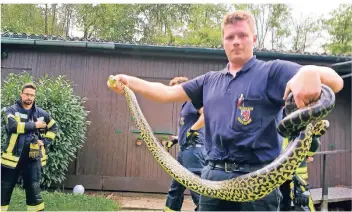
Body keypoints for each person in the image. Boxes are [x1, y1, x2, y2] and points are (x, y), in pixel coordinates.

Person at [107, 10, 343, 211]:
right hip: (213, 178)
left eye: (242, 35)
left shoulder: (272, 72)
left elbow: (335, 82)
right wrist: (128, 82)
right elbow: (165, 93)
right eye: (230, 37)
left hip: (259, 179)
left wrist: (310, 70)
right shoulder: (209, 81)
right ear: (223, 42)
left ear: (254, 39)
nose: (236, 41)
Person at [1, 83, 58, 212]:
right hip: (12, 158)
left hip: (33, 157)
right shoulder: (11, 110)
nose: (29, 97)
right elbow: (12, 127)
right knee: (4, 188)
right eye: (27, 94)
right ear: (21, 94)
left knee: (33, 189)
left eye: (32, 95)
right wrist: (34, 125)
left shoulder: (41, 113)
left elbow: (54, 127)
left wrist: (45, 140)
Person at [162, 77, 206, 212]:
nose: (174, 93)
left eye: (176, 89)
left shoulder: (194, 101)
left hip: (193, 151)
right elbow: (186, 126)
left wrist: (193, 130)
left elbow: (207, 115)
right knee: (176, 187)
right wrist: (177, 138)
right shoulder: (185, 104)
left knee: (196, 188)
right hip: (184, 151)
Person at [280, 110, 322, 211]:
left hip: (279, 176)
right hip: (298, 176)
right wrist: (307, 155)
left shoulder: (276, 121)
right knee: (304, 205)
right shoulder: (303, 120)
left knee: (281, 205)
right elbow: (315, 143)